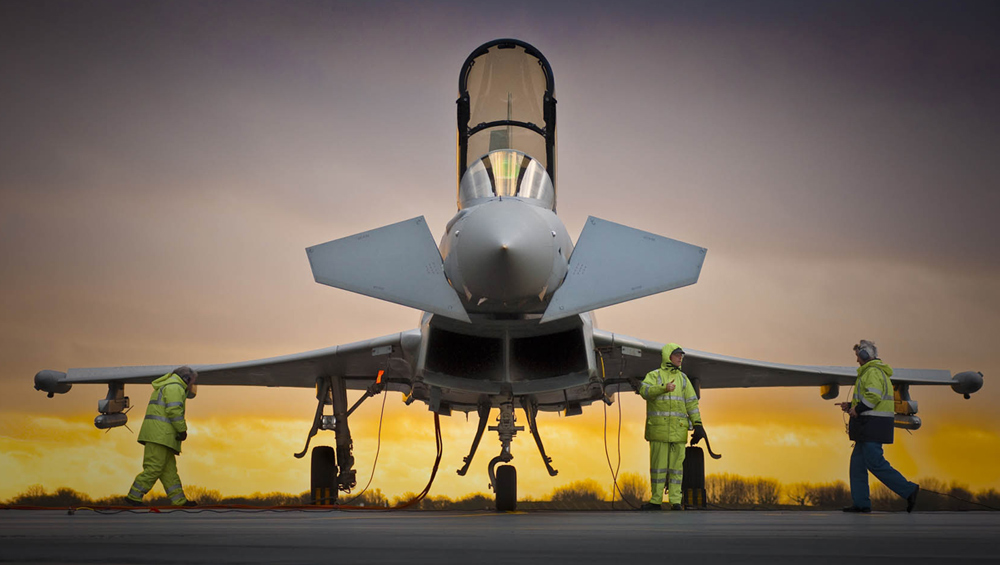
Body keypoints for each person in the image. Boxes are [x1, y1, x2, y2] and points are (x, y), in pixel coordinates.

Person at [836, 340, 919, 513]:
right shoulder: (873, 373)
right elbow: (872, 398)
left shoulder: (872, 372)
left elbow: (873, 397)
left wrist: (857, 409)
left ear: (865, 355)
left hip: (872, 426)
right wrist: (851, 405)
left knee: (875, 463)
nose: (857, 360)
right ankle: (861, 503)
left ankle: (909, 490)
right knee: (857, 465)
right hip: (869, 425)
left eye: (857, 356)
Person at [631, 343, 707, 510]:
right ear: (668, 356)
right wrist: (663, 388)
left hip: (678, 432)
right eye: (677, 355)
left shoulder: (683, 380)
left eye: (681, 355)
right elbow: (645, 391)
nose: (680, 358)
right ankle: (656, 500)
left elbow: (692, 403)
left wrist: (698, 424)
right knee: (658, 468)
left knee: (676, 469)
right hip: (659, 431)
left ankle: (675, 501)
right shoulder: (654, 376)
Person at [125, 366, 199, 506]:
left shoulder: (169, 385)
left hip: (162, 436)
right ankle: (133, 497)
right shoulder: (175, 387)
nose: (192, 385)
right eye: (192, 381)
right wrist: (182, 430)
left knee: (168, 471)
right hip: (160, 436)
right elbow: (174, 410)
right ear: (187, 379)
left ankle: (179, 500)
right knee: (153, 468)